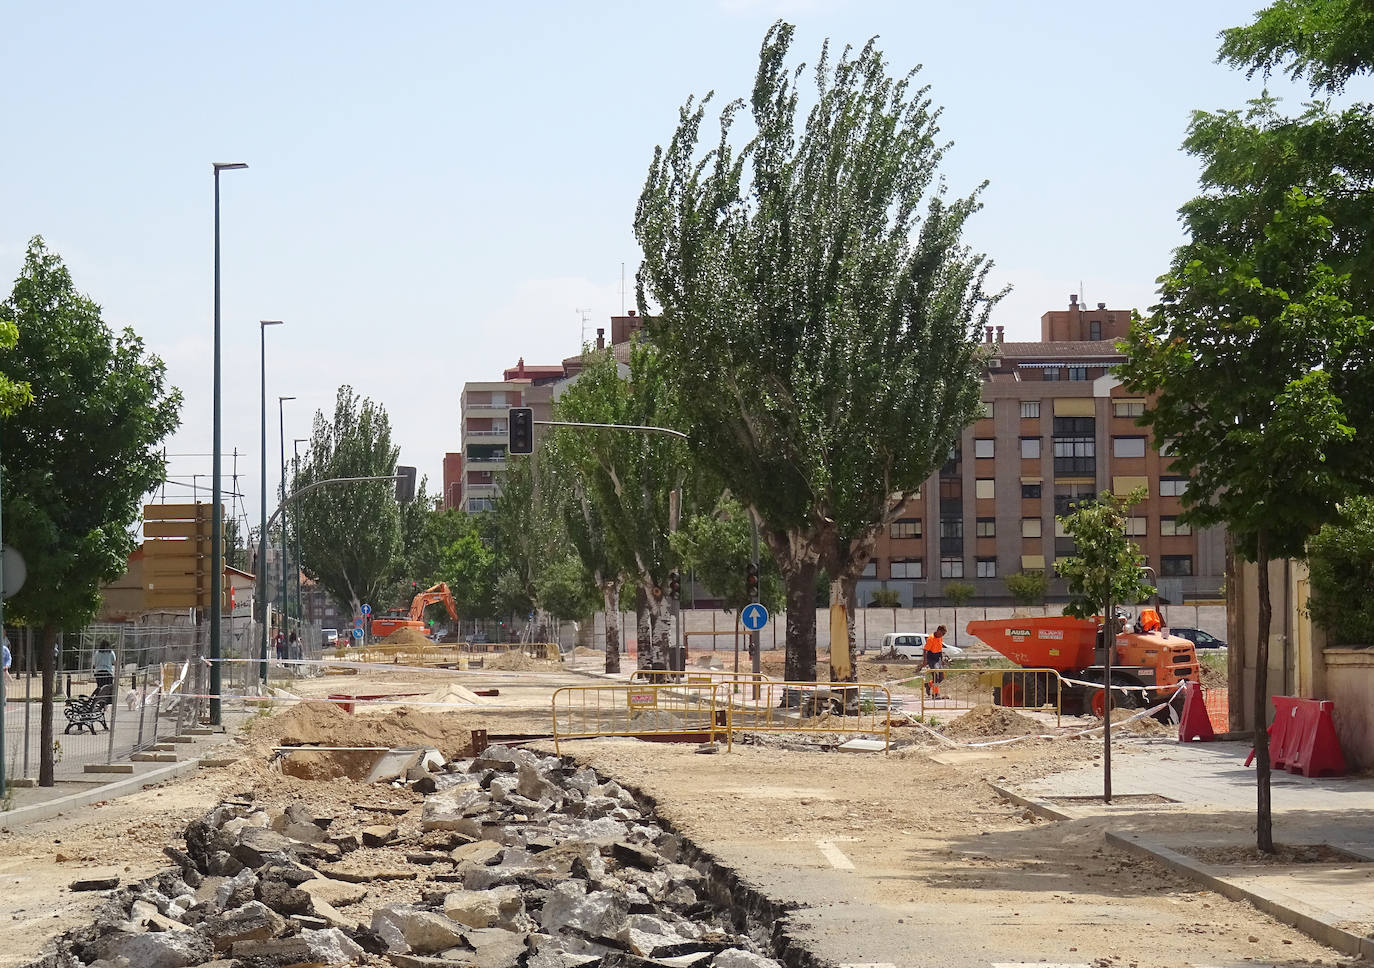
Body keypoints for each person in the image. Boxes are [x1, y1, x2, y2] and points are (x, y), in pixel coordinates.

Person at [924, 625, 947, 698]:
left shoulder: (940, 638)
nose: (942, 635)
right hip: (931, 658)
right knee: (935, 676)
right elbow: (925, 650)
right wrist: (925, 661)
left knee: (941, 677)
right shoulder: (931, 638)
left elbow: (940, 649)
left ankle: (928, 685)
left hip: (938, 658)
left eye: (943, 634)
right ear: (938, 631)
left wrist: (942, 659)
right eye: (942, 633)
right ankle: (935, 694)